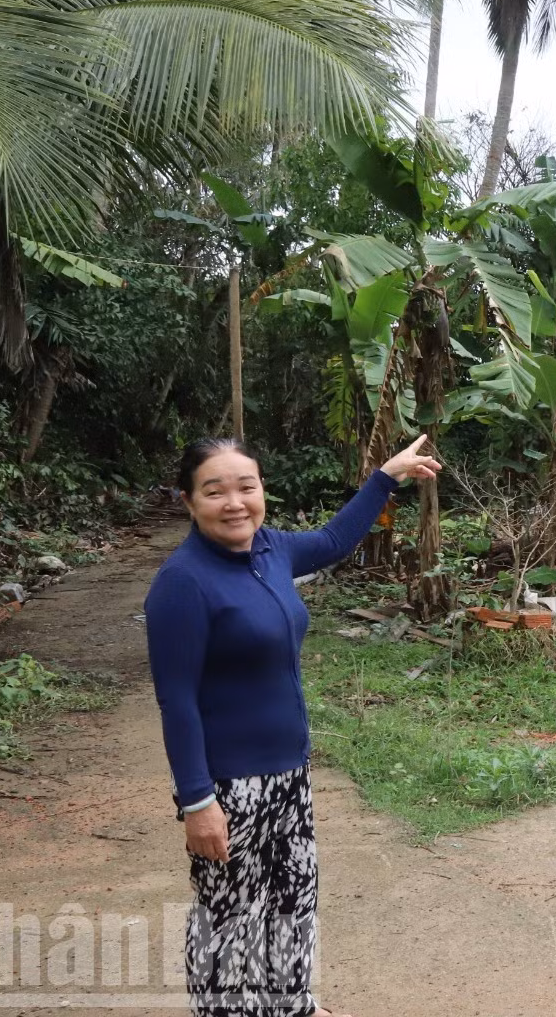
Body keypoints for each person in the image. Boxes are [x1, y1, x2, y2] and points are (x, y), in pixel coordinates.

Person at [145, 433, 440, 1017]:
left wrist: (385, 476)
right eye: (215, 491)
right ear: (188, 501)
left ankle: (292, 1006)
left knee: (292, 899)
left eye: (246, 487)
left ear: (261, 493)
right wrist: (197, 800)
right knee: (232, 916)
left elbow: (333, 540)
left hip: (287, 772)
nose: (234, 502)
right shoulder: (183, 583)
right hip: (229, 785)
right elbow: (176, 701)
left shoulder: (271, 549)